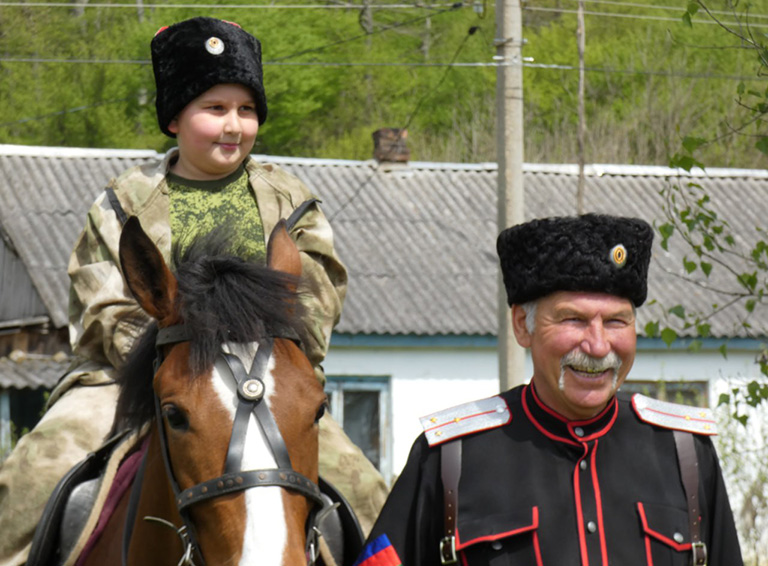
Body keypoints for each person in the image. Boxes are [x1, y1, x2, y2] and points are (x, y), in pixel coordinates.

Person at [0, 17, 387, 566]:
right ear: (175, 118)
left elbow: (315, 298)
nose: (234, 125)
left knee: (370, 491)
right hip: (124, 381)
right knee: (34, 469)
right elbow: (104, 304)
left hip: (269, 381)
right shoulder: (122, 203)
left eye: (246, 110)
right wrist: (181, 349)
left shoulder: (292, 203)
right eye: (215, 109)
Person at [355, 214, 743, 566]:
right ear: (523, 325)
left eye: (616, 322)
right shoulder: (450, 459)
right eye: (573, 319)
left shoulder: (685, 453)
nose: (598, 346)